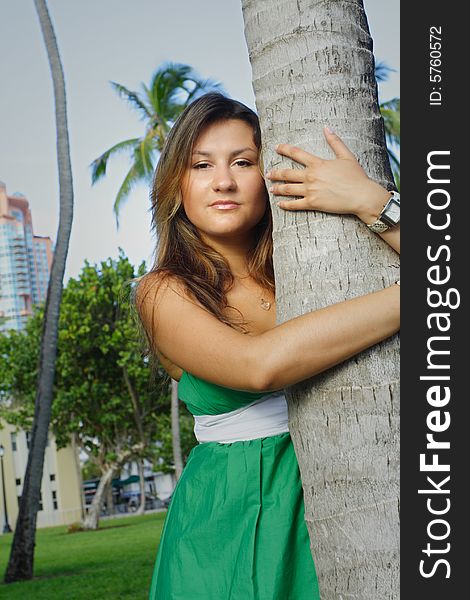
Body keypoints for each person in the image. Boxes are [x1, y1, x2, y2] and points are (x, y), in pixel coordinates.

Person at [135, 92, 400, 600]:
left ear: (269, 174)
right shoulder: (165, 289)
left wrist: (369, 200)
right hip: (231, 521)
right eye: (201, 165)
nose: (224, 181)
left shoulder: (317, 265)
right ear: (177, 185)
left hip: (353, 490)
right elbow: (259, 367)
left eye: (243, 161)